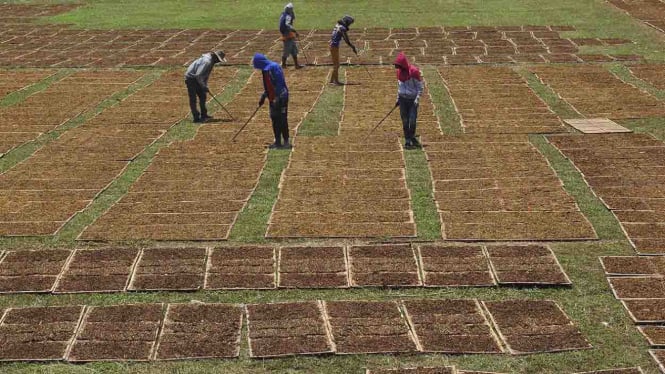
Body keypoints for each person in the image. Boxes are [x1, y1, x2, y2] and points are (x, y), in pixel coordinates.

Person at [252, 53, 291, 149]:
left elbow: (280, 83)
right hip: (272, 98)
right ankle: (277, 141)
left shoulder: (274, 67)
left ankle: (286, 142)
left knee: (282, 119)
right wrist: (264, 96)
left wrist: (277, 98)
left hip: (281, 97)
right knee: (274, 119)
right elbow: (268, 85)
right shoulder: (265, 70)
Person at [184, 51, 226, 123]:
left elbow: (204, 75)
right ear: (215, 58)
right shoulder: (207, 62)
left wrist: (205, 85)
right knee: (193, 99)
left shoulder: (211, 61)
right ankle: (196, 118)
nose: (218, 62)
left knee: (203, 96)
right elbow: (198, 75)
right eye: (218, 60)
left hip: (198, 79)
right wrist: (203, 86)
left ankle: (204, 115)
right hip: (191, 79)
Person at [394, 52, 423, 148]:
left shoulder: (414, 72)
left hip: (412, 101)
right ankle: (408, 140)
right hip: (403, 100)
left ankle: (412, 137)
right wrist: (398, 99)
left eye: (399, 66)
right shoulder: (399, 72)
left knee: (412, 120)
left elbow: (420, 87)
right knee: (405, 121)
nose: (399, 68)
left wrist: (417, 99)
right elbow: (400, 86)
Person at [329, 15, 357, 85]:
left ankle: (332, 80)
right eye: (349, 23)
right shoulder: (342, 28)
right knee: (336, 65)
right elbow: (346, 40)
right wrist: (352, 47)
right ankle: (336, 81)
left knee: (336, 64)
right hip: (334, 46)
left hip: (333, 46)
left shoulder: (338, 25)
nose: (349, 25)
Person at [279, 3, 304, 69]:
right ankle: (283, 65)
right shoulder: (287, 16)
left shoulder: (283, 15)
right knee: (286, 50)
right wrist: (295, 31)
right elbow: (288, 25)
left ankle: (296, 65)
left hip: (290, 35)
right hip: (287, 35)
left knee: (294, 50)